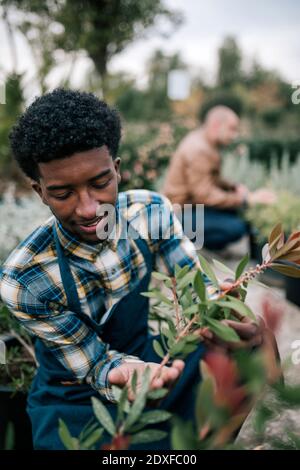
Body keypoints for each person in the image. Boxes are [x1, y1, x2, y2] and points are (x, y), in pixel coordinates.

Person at [0, 89, 271, 450]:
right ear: (40, 191)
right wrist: (123, 371)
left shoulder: (151, 213)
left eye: (100, 183)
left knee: (253, 343)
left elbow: (198, 287)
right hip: (75, 398)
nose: (88, 208)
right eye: (63, 193)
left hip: (154, 367)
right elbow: (95, 365)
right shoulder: (25, 278)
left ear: (117, 169)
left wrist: (223, 312)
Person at [162, 105, 276, 250]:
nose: (235, 135)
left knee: (237, 213)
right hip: (179, 213)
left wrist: (233, 187)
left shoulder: (203, 141)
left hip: (190, 207)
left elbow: (209, 179)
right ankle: (187, 243)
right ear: (216, 125)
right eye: (232, 129)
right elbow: (204, 195)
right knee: (236, 228)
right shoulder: (199, 150)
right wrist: (246, 199)